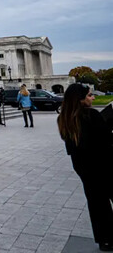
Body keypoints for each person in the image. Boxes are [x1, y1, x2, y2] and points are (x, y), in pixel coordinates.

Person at [57, 83, 113, 251]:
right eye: (89, 95)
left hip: (83, 166)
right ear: (80, 99)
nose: (93, 97)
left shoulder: (63, 118)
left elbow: (76, 144)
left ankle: (105, 240)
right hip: (103, 164)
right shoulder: (92, 115)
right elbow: (105, 140)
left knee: (96, 203)